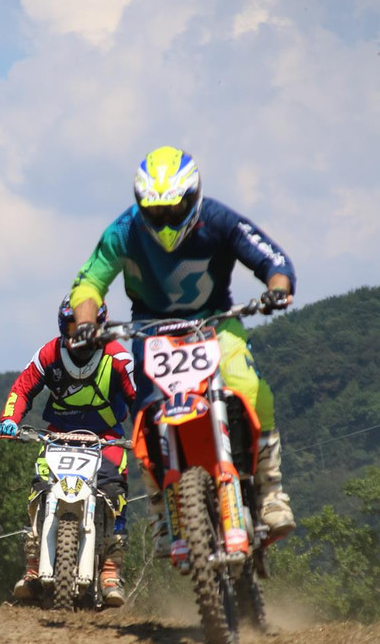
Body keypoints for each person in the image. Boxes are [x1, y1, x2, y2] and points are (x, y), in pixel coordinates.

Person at [69, 145, 296, 540]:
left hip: (216, 322)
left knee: (249, 388)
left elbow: (271, 258)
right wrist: (86, 322)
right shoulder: (123, 230)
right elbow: (90, 282)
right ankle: (160, 505)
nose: (165, 219)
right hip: (152, 330)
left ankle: (271, 491)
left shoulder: (219, 219)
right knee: (144, 412)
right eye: (155, 211)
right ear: (141, 204)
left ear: (193, 197)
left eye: (174, 209)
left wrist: (277, 288)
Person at [0, 296, 136, 607]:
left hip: (106, 439)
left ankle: (111, 570)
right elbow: (23, 387)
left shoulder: (118, 357)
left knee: (115, 491)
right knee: (39, 490)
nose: (81, 334)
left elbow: (138, 398)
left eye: (88, 327)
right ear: (64, 325)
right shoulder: (49, 353)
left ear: (101, 326)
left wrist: (147, 431)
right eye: (74, 327)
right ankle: (33, 567)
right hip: (58, 436)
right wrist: (9, 419)